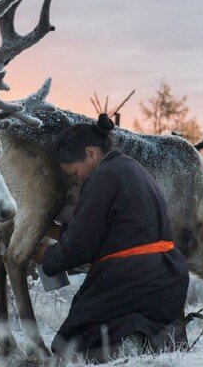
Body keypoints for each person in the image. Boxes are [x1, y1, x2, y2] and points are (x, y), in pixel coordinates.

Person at [31, 114, 189, 363]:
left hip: (132, 279)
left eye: (75, 172)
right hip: (168, 280)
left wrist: (46, 256)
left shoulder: (102, 177)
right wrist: (54, 230)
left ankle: (128, 347)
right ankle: (141, 343)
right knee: (140, 329)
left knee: (69, 345)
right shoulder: (130, 168)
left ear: (91, 154)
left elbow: (80, 246)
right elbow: (109, 232)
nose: (77, 178)